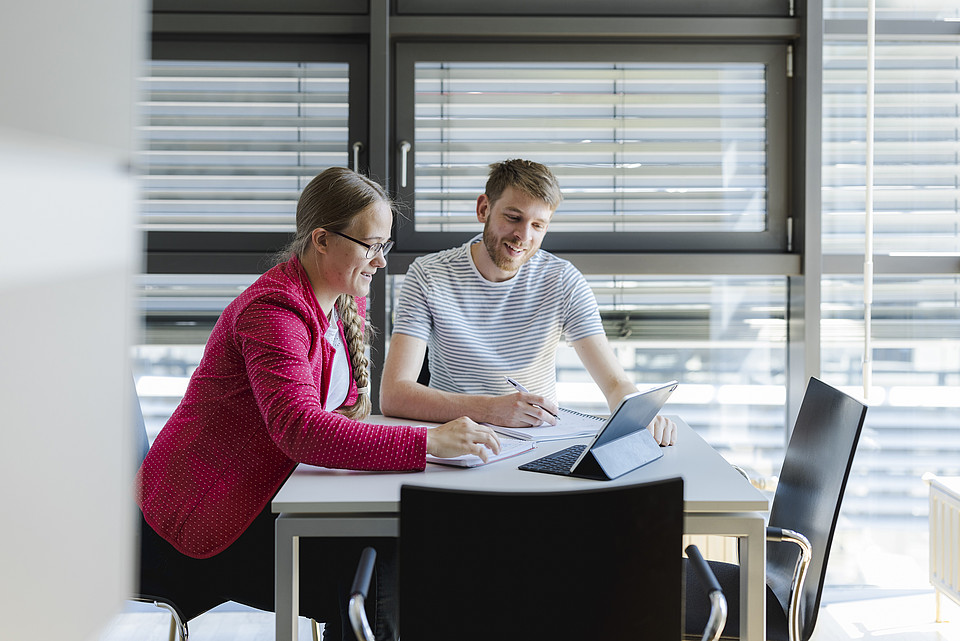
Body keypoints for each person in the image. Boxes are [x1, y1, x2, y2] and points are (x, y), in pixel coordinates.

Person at [135, 167, 500, 641]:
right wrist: (428, 441)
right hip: (201, 517)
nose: (381, 261)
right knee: (378, 572)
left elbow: (333, 414)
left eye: (384, 246)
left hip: (256, 493)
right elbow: (301, 429)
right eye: (371, 245)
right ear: (322, 239)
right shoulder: (273, 311)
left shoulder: (337, 298)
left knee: (394, 555)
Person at [380, 158, 676, 445]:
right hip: (456, 442)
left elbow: (614, 384)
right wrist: (491, 410)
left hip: (538, 442)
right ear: (484, 209)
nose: (523, 236)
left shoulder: (563, 281)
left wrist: (641, 415)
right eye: (513, 218)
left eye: (538, 225)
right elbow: (394, 395)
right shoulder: (428, 275)